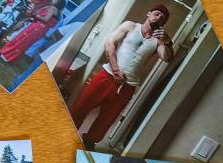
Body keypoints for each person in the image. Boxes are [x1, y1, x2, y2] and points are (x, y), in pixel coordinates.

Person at [69, 5, 174, 145]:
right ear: (149, 14)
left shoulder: (159, 42)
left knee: (107, 119)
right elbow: (110, 43)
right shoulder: (130, 26)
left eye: (162, 17)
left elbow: (167, 58)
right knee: (82, 106)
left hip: (128, 85)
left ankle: (90, 141)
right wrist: (116, 70)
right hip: (107, 75)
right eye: (157, 13)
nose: (159, 17)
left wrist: (167, 41)